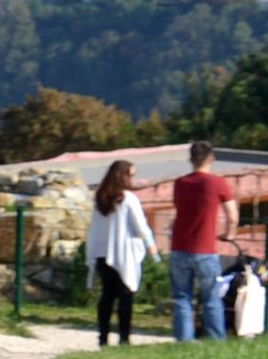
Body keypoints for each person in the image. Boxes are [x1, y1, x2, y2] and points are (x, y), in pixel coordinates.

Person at [167, 140, 237, 342]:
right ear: (212, 159)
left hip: (179, 247)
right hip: (205, 249)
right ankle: (216, 339)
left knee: (182, 297)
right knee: (211, 298)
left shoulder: (180, 183)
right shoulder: (217, 183)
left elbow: (179, 208)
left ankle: (184, 340)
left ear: (190, 159)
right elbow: (232, 215)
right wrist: (229, 234)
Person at [84, 159, 158, 347]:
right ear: (122, 176)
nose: (133, 179)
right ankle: (124, 337)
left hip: (102, 251)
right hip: (123, 252)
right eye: (130, 175)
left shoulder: (100, 197)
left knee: (107, 294)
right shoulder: (128, 199)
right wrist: (151, 245)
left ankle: (103, 336)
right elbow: (140, 226)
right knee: (125, 295)